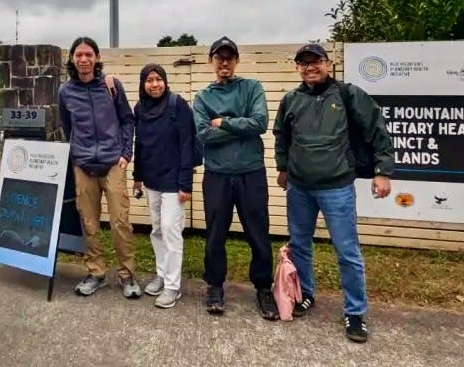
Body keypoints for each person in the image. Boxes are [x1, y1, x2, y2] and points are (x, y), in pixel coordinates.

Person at [273, 43, 394, 343]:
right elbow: (281, 136)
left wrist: (382, 171)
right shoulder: (290, 100)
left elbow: (377, 129)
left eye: (315, 62)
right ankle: (306, 294)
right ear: (297, 68)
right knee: (300, 245)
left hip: (337, 187)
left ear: (327, 64)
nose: (309, 67)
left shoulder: (347, 94)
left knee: (347, 251)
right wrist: (283, 168)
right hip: (299, 187)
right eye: (303, 63)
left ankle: (355, 312)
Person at [193, 36, 278, 319]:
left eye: (230, 57)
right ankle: (215, 286)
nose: (225, 62)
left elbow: (260, 123)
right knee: (215, 235)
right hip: (217, 175)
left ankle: (264, 288)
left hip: (251, 173)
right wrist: (241, 127)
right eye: (219, 57)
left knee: (258, 233)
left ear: (237, 61)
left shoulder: (252, 87)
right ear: (212, 62)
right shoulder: (203, 97)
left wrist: (224, 122)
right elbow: (204, 134)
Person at [58, 36, 140, 298]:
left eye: (88, 54)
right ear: (72, 58)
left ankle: (127, 275)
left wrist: (126, 153)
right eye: (79, 55)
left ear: (96, 58)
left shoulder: (111, 85)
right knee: (89, 223)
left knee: (120, 222)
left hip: (113, 162)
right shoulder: (65, 91)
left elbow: (127, 120)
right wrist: (76, 155)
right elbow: (67, 126)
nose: (83, 59)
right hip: (83, 165)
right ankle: (96, 272)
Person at [131, 63, 195, 309]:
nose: (154, 84)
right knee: (157, 229)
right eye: (149, 80)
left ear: (165, 82)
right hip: (151, 180)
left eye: (158, 79)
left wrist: (185, 184)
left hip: (174, 181)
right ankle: (161, 274)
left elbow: (187, 144)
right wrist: (137, 177)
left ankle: (172, 286)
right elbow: (141, 145)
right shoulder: (140, 108)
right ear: (143, 84)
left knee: (170, 229)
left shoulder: (177, 104)